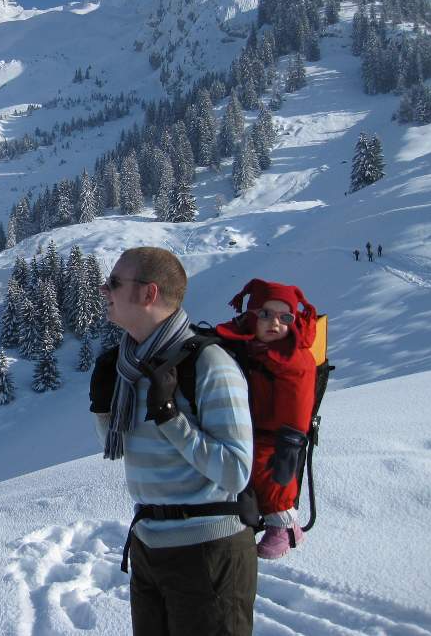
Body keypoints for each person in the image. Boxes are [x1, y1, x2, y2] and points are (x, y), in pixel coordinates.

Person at [90, 247, 255, 635]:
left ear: (148, 293)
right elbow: (128, 452)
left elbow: (236, 472)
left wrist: (170, 417)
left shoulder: (208, 364)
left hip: (208, 552)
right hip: (149, 546)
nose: (103, 289)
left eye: (114, 282)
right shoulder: (131, 367)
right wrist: (103, 409)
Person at [215, 279, 317, 560]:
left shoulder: (294, 357)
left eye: (285, 318)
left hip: (277, 432)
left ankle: (284, 524)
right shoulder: (249, 343)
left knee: (267, 468)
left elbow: (298, 404)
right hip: (245, 422)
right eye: (265, 314)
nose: (275, 323)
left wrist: (290, 442)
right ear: (251, 315)